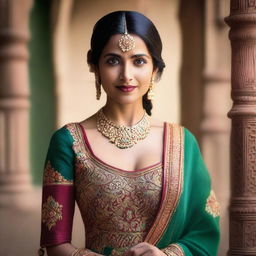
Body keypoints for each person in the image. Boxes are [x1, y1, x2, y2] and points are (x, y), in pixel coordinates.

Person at [39, 10, 220, 256]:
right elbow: (55, 244)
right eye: (113, 60)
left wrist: (166, 255)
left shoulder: (182, 143)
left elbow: (204, 229)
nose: (126, 75)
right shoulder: (69, 142)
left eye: (139, 61)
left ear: (155, 69)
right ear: (95, 66)